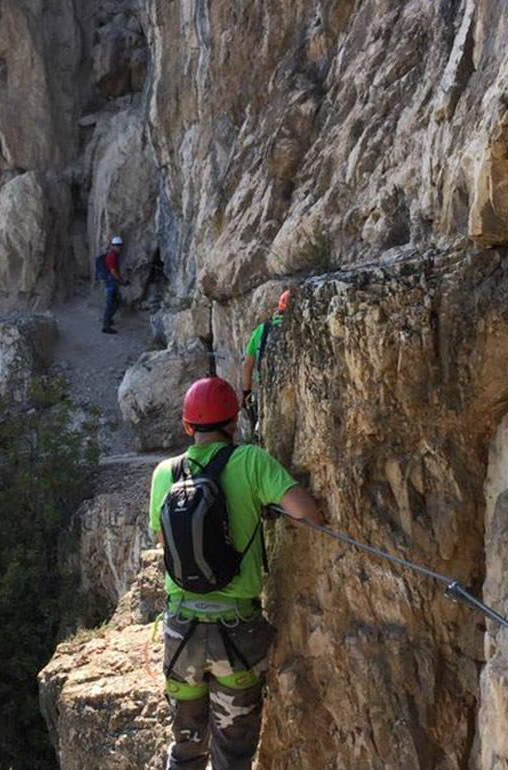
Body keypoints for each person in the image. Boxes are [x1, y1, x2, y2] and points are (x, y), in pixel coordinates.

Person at [150, 376, 324, 770]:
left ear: (186, 426)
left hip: (181, 634)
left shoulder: (164, 474)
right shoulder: (251, 461)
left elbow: (167, 544)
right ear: (234, 422)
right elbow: (308, 515)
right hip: (236, 635)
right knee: (233, 756)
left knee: (186, 750)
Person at [240, 289, 290, 436]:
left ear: (279, 308)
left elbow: (247, 365)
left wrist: (246, 393)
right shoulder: (300, 325)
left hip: (266, 392)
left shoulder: (261, 331)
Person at [96, 235, 124, 334]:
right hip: (111, 282)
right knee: (111, 303)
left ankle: (108, 320)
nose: (118, 247)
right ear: (112, 246)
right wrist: (120, 280)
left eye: (120, 245)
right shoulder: (112, 256)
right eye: (117, 245)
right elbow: (113, 271)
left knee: (116, 302)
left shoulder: (113, 255)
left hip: (111, 281)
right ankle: (106, 325)